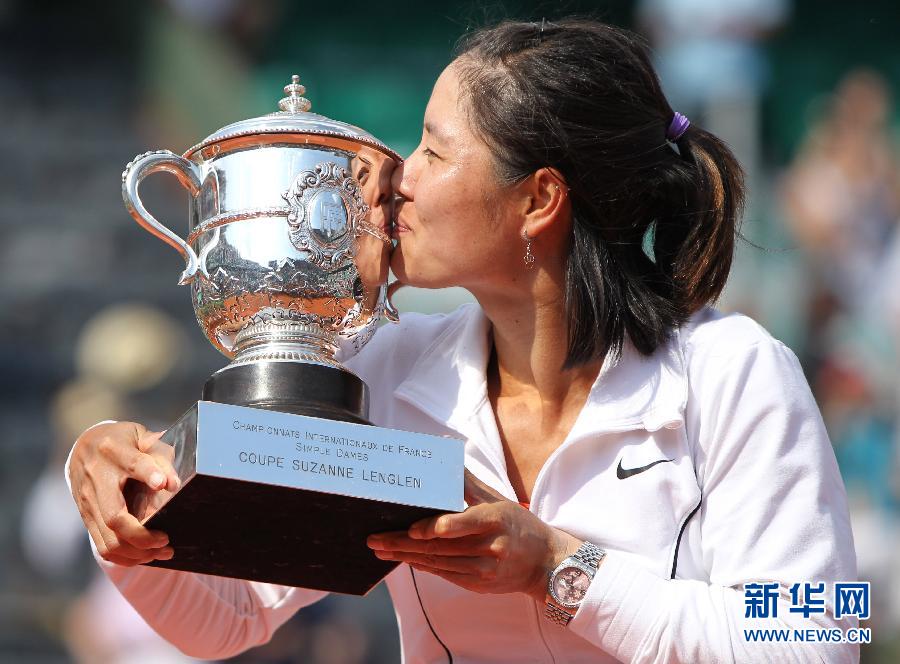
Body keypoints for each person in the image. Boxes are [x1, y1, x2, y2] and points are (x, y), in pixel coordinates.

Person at [66, 19, 858, 663]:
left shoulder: (736, 371)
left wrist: (555, 567)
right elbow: (230, 613)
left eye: (435, 150)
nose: (396, 178)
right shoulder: (385, 367)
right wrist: (127, 514)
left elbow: (816, 640)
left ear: (539, 200)